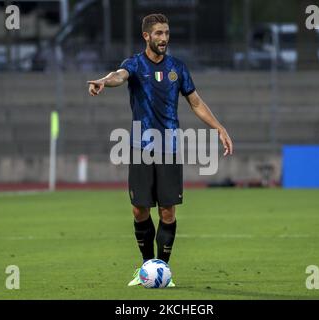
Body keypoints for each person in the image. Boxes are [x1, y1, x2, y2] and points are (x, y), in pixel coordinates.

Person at [87, 13, 233, 287]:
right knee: (139, 211)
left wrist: (219, 128)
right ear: (146, 36)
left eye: (166, 33)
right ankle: (146, 268)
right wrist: (104, 81)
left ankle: (162, 270)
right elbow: (119, 75)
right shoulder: (134, 64)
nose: (164, 38)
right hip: (140, 148)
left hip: (169, 148)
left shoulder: (178, 67)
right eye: (158, 34)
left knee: (168, 211)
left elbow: (196, 103)